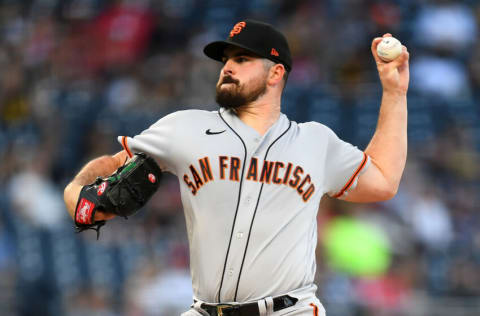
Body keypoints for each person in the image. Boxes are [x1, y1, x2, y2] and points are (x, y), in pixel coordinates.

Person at [64, 19, 409, 316]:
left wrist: (394, 93)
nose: (227, 67)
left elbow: (382, 180)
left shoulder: (315, 142)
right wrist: (78, 188)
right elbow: (113, 165)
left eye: (242, 59)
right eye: (226, 59)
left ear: (276, 72)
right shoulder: (184, 128)